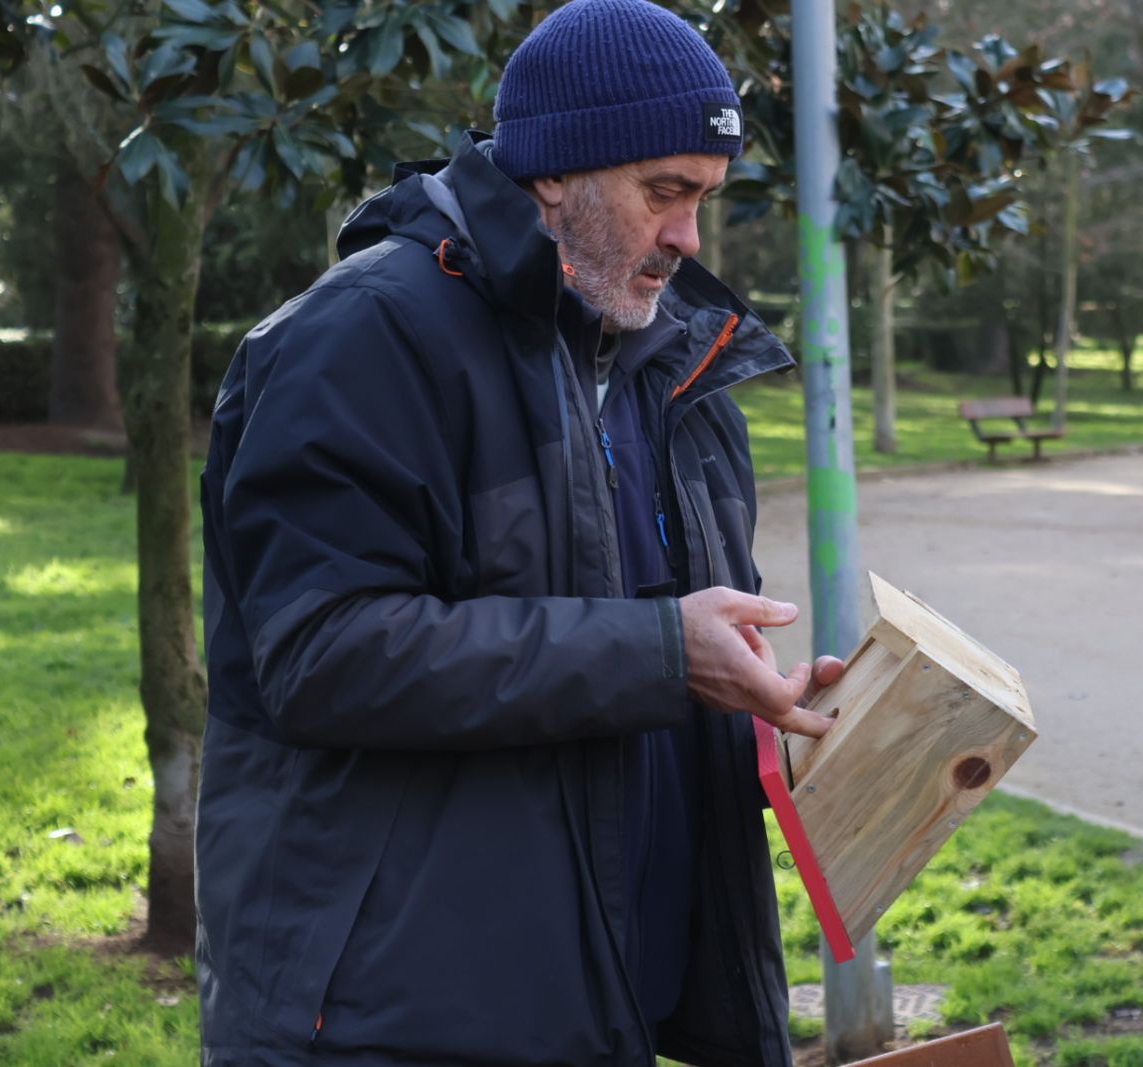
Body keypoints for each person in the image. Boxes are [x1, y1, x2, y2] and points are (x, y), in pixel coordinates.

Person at [195, 1, 839, 1063]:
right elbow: (322, 655)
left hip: (613, 1003)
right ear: (554, 174)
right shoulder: (359, 339)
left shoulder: (681, 367)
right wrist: (664, 648)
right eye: (664, 193)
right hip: (393, 1018)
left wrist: (781, 717)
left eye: (703, 198)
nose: (688, 237)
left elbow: (646, 656)